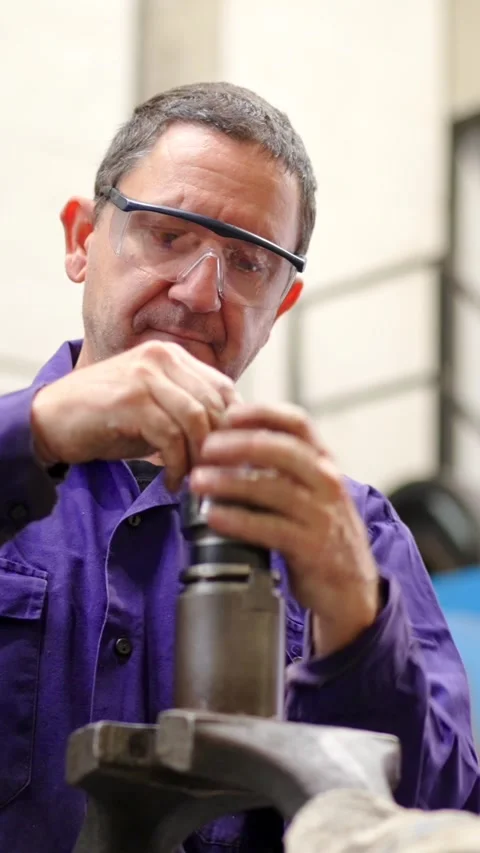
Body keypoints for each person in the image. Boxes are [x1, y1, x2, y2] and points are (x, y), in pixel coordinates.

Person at [0, 81, 478, 853]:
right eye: (167, 234)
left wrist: (355, 622)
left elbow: (438, 811)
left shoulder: (356, 535)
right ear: (81, 238)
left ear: (283, 301)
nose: (199, 293)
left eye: (249, 262)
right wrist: (37, 434)